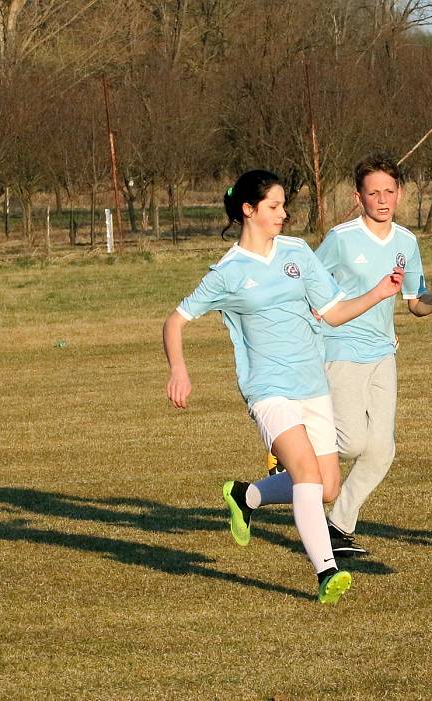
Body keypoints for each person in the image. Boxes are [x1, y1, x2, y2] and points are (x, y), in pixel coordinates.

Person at [162, 170, 403, 603]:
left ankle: (247, 494)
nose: (284, 214)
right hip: (268, 390)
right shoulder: (227, 272)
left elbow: (331, 312)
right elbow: (175, 320)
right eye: (274, 207)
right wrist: (179, 369)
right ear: (248, 211)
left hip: (312, 385)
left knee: (327, 487)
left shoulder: (297, 253)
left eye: (283, 205)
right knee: (307, 475)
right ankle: (326, 572)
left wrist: (379, 293)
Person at [314, 153, 432, 557]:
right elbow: (309, 287)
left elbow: (415, 304)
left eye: (388, 191)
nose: (382, 199)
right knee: (353, 443)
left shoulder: (406, 242)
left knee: (382, 450)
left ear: (400, 193)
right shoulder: (340, 239)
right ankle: (293, 450)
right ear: (358, 197)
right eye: (372, 192)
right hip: (340, 349)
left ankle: (338, 524)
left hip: (382, 355)